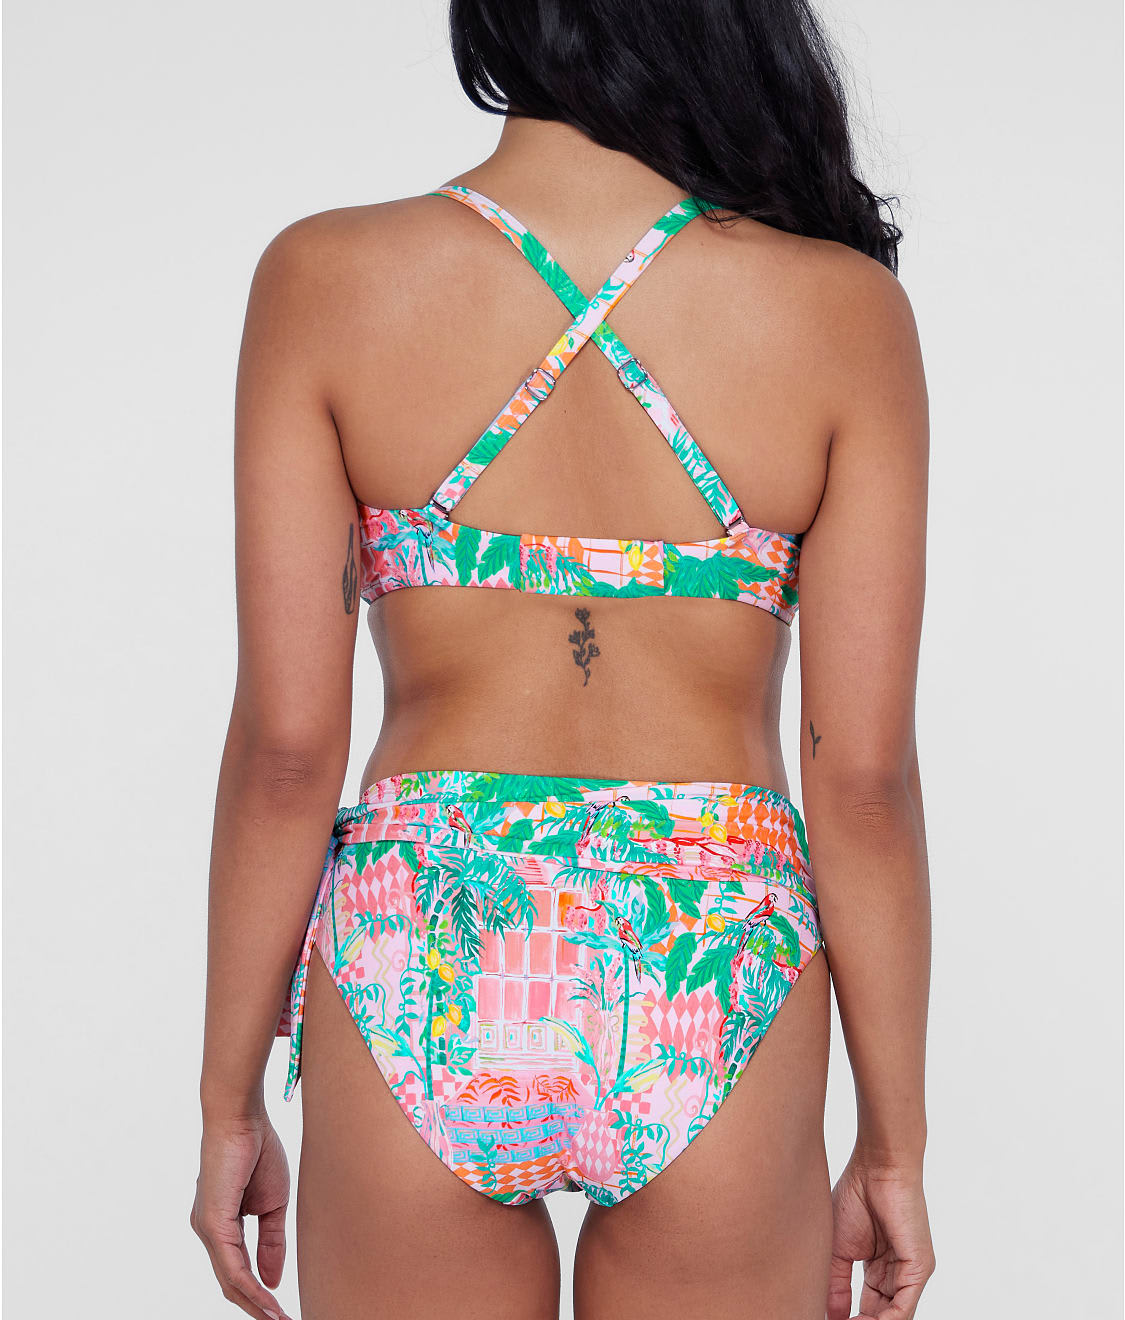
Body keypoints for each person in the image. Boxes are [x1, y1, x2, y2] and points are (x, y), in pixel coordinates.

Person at [190, 3, 934, 1317]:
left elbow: (289, 750)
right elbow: (861, 782)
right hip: (715, 940)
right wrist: (893, 1145)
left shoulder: (324, 277)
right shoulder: (840, 311)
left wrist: (226, 1095)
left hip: (426, 929)